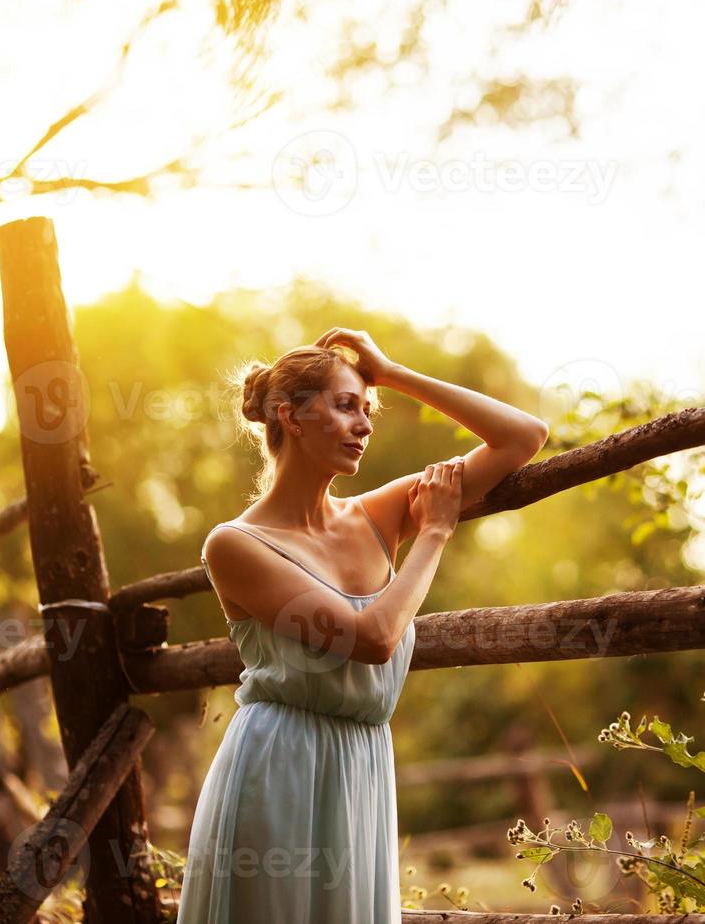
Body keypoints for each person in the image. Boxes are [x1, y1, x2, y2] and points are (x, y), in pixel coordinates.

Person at [174, 326, 550, 923]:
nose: (365, 424)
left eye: (366, 409)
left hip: (363, 765)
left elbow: (523, 436)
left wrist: (391, 372)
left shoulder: (375, 515)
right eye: (346, 405)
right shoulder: (235, 545)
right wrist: (434, 532)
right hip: (279, 766)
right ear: (289, 416)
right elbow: (373, 639)